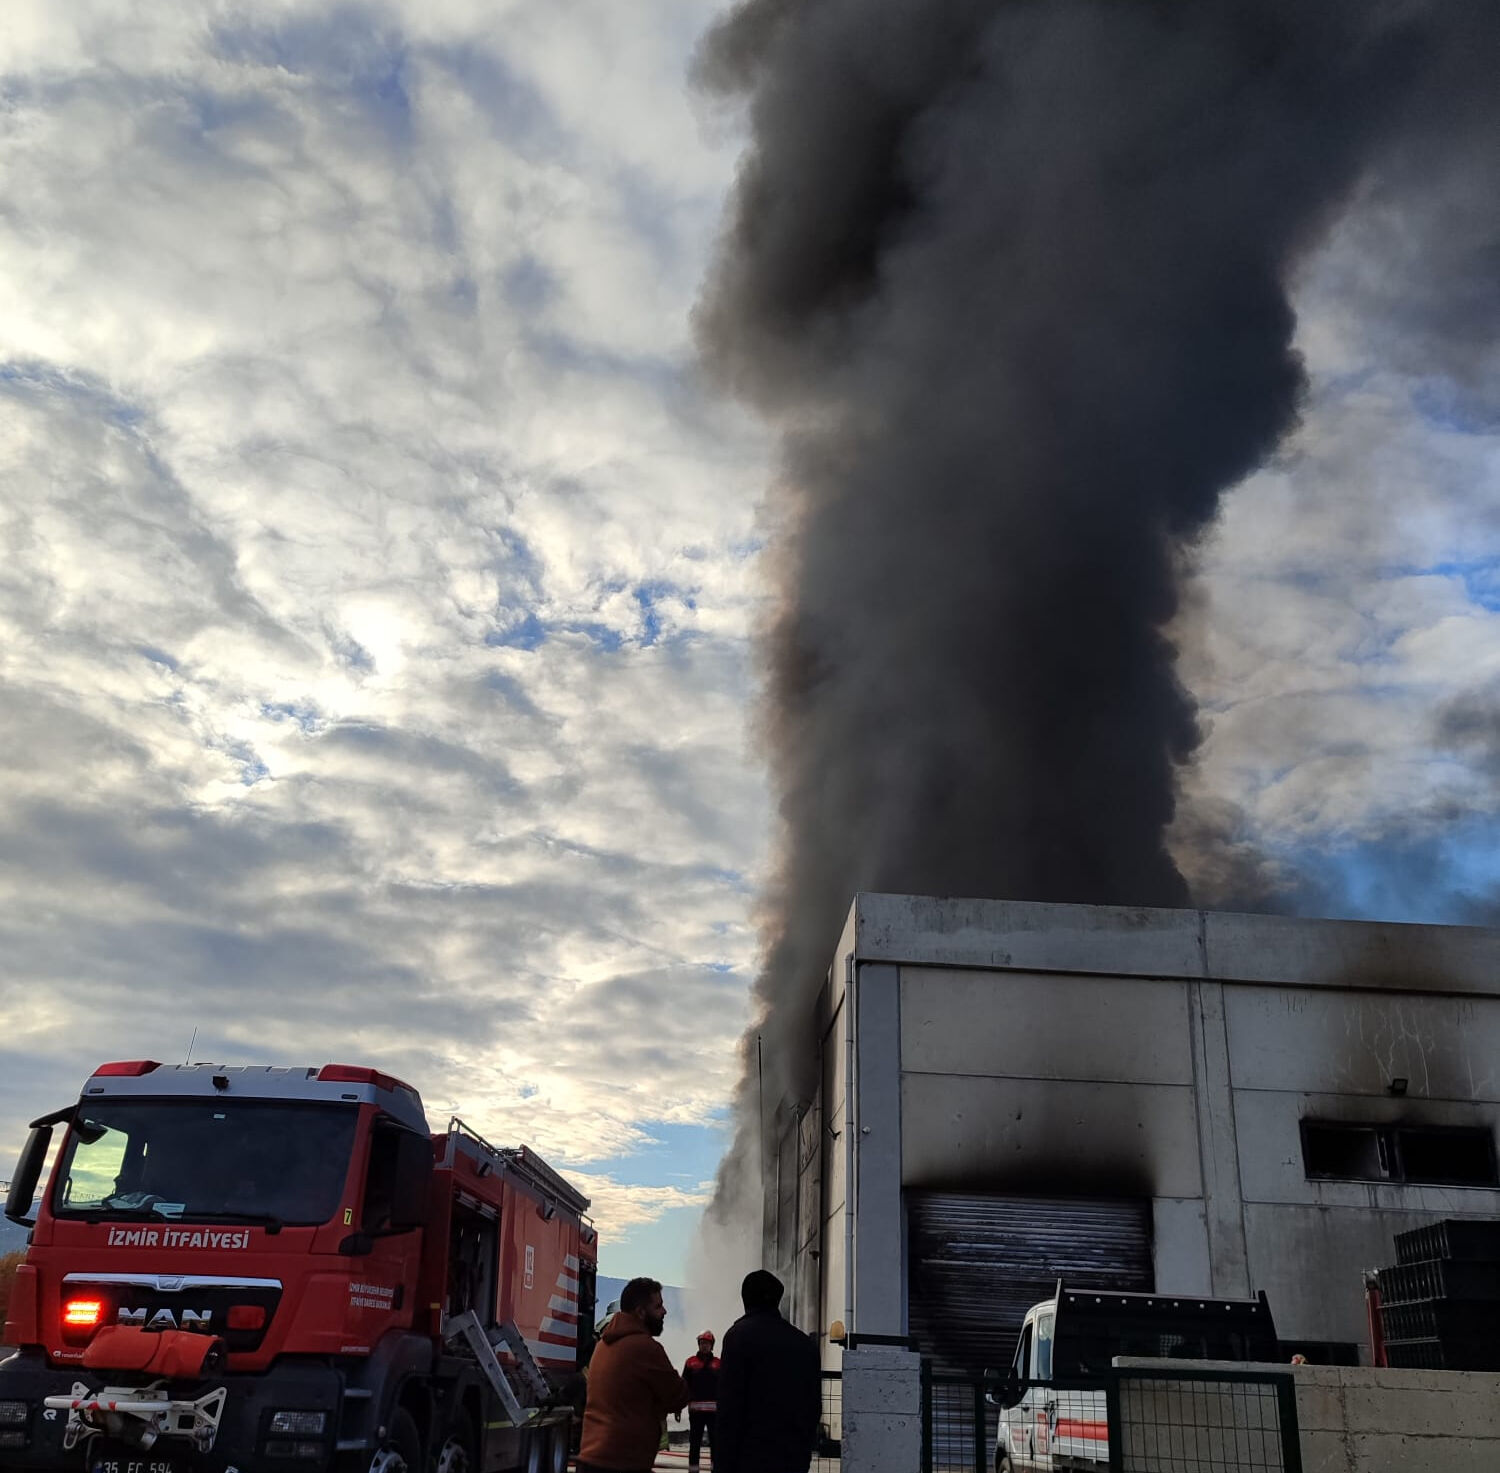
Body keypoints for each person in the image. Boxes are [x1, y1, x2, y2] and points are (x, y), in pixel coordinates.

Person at [715, 1270, 821, 1473]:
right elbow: (813, 1406)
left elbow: (730, 1408)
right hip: (793, 1459)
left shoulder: (738, 1337)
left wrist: (722, 1464)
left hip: (749, 1460)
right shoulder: (804, 1344)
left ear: (746, 1300)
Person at [578, 1276, 687, 1473]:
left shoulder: (603, 1345)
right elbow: (677, 1396)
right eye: (658, 1306)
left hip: (592, 1459)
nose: (664, 1311)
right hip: (623, 1462)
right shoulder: (646, 1348)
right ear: (641, 1312)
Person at [678, 1330, 720, 1471]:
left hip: (714, 1412)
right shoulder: (691, 1362)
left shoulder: (718, 1364)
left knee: (716, 1444)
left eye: (707, 1343)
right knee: (694, 1444)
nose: (704, 1346)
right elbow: (684, 1386)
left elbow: (725, 1387)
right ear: (698, 1344)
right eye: (702, 1343)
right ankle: (693, 1470)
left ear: (712, 1345)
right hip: (695, 1412)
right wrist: (678, 1407)